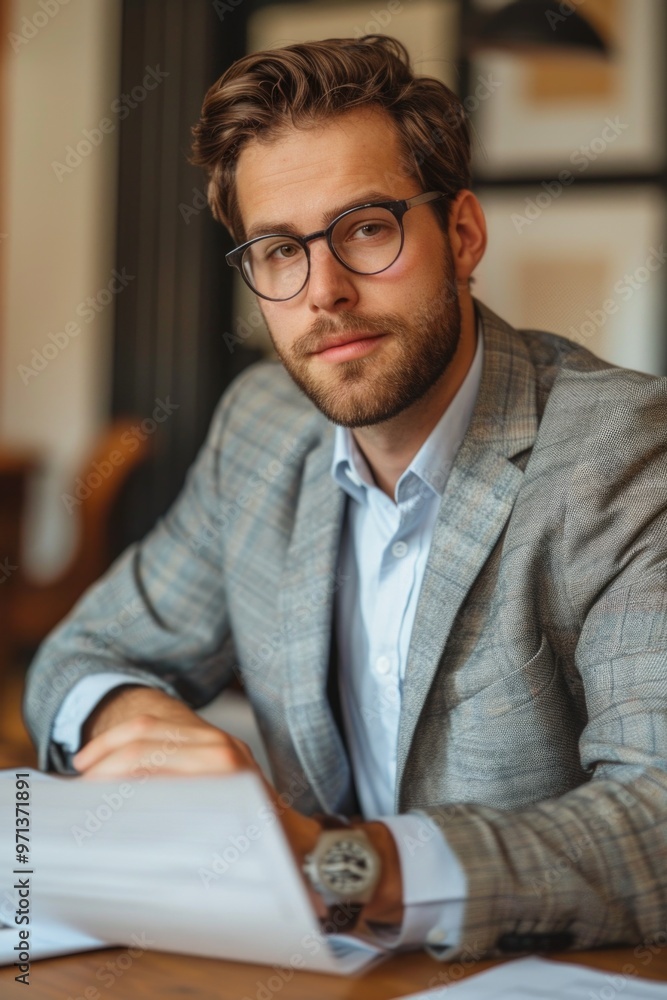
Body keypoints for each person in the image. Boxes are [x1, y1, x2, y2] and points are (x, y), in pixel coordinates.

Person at [24, 35, 666, 962]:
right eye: (280, 250)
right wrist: (133, 722)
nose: (323, 291)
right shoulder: (259, 429)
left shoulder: (624, 455)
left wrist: (341, 866)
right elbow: (86, 649)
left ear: (463, 234)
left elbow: (653, 823)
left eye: (366, 227)